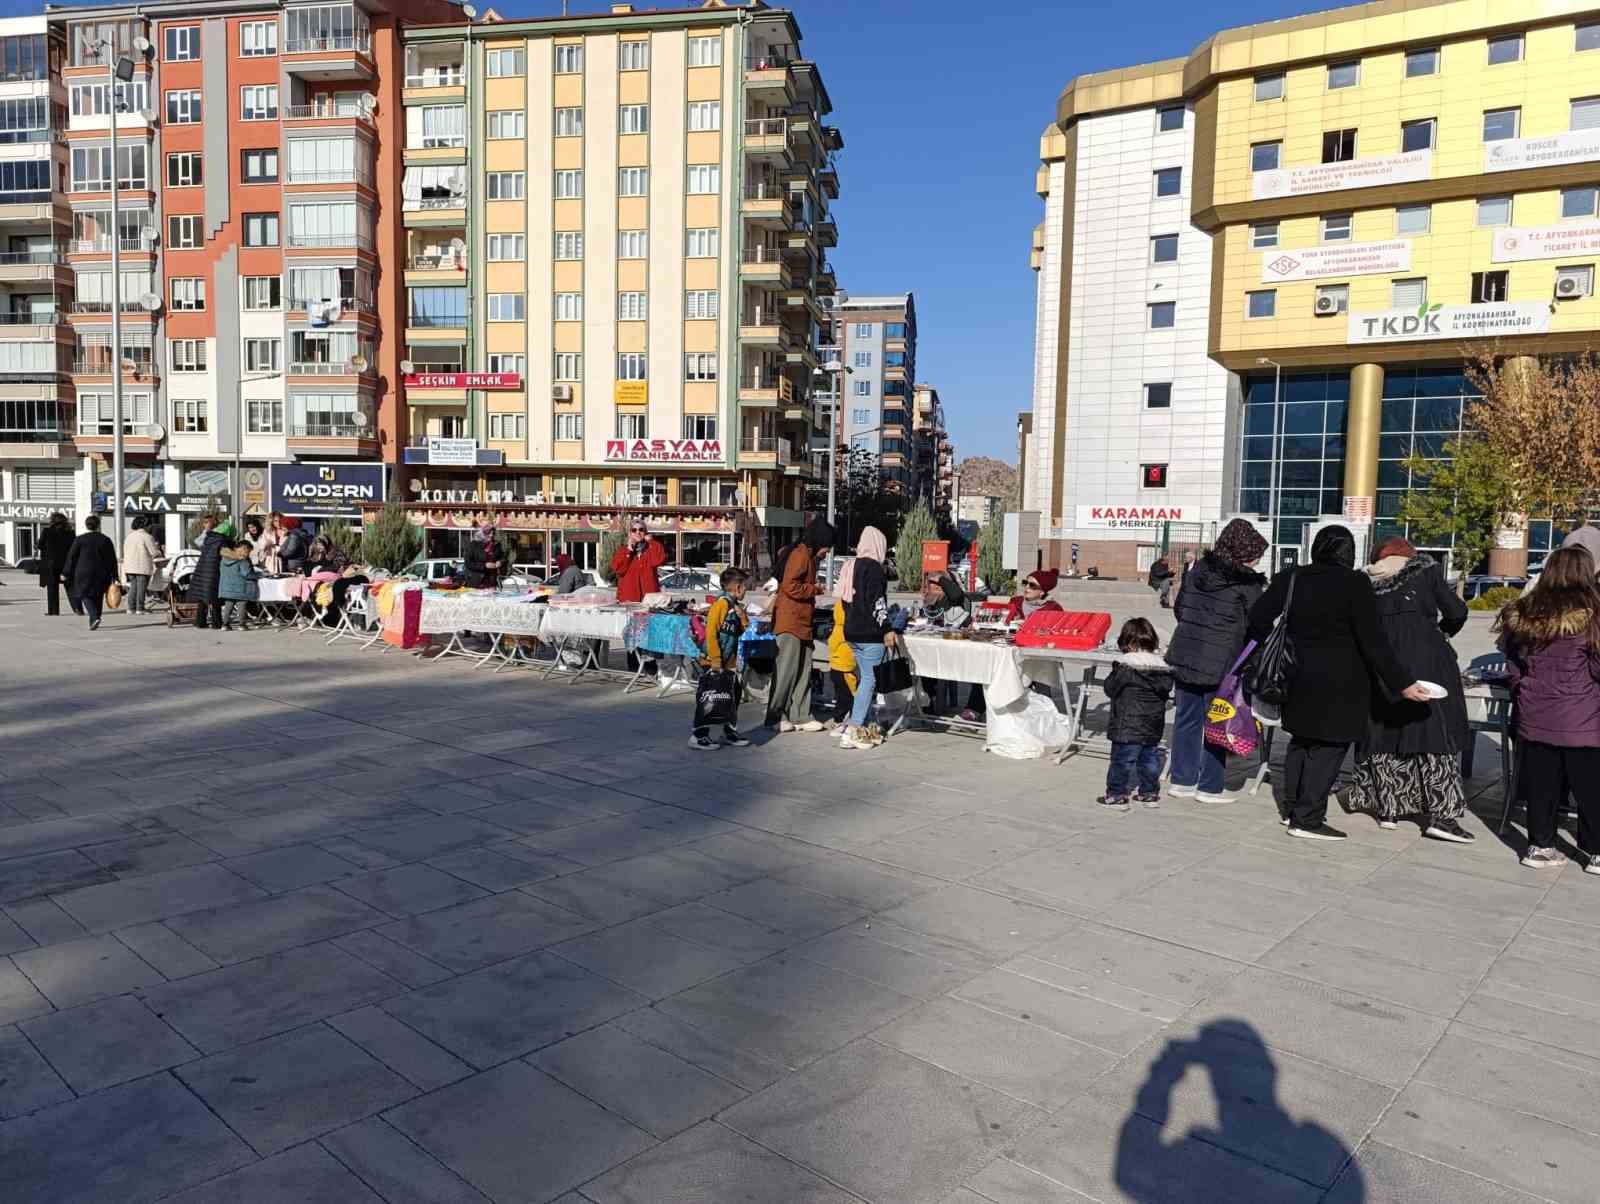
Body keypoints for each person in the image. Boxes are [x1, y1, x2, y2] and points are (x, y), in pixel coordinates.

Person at [1249, 525, 1428, 841]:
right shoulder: (1355, 582)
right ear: (1348, 552)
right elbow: (1373, 640)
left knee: (1301, 741)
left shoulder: (1292, 577)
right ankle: (1307, 819)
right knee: (1328, 747)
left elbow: (1259, 618)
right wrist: (1402, 682)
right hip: (1342, 682)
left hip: (1296, 675)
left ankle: (1292, 810)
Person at [1345, 537, 1474, 842]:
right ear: (1409, 555)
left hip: (1382, 666)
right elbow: (1456, 611)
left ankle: (1388, 809)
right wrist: (1440, 633)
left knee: (1384, 732)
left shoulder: (1365, 580)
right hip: (1429, 663)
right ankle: (1442, 816)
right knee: (1434, 734)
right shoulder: (1426, 571)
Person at [1495, 545, 1600, 873]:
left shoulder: (1525, 611)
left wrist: (1522, 688)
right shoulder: (1594, 613)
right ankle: (1596, 852)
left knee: (1541, 785)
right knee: (1591, 788)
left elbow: (1512, 662)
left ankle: (1539, 846)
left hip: (1535, 713)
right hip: (1583, 717)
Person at [1165, 519, 1269, 804]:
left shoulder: (1197, 570)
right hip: (1221, 662)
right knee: (1219, 721)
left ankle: (1181, 780)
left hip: (1185, 653)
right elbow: (1258, 624)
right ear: (1241, 551)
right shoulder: (1246, 584)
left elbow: (1179, 608)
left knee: (1186, 719)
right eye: (1254, 554)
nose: (1256, 560)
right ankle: (1209, 787)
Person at [767, 516, 833, 733]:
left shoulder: (808, 556)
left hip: (802, 622)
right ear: (820, 541)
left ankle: (801, 715)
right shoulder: (800, 555)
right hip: (790, 622)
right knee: (786, 670)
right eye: (827, 547)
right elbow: (790, 586)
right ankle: (776, 715)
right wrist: (815, 589)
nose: (828, 552)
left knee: (804, 669)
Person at [1100, 617, 1173, 810]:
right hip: (1153, 725)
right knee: (1149, 760)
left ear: (1129, 643)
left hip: (1127, 724)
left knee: (1122, 761)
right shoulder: (1163, 669)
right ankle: (1149, 793)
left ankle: (1116, 794)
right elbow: (1165, 690)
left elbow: (1110, 689)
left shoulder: (1125, 666)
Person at [839, 526, 896, 751]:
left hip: (851, 631)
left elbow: (844, 600)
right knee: (870, 681)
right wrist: (887, 628)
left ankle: (866, 727)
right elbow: (877, 601)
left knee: (865, 679)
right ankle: (853, 729)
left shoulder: (849, 566)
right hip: (870, 633)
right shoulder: (873, 568)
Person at [690, 567, 753, 750]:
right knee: (708, 697)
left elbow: (740, 631)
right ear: (738, 588)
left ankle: (730, 731)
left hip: (728, 661)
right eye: (746, 587)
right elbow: (711, 632)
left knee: (732, 695)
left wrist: (743, 618)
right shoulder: (721, 604)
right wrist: (716, 660)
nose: (746, 591)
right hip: (714, 660)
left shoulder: (734, 606)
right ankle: (698, 735)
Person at [919, 571, 985, 720]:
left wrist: (941, 579)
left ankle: (973, 709)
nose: (933, 591)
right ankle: (930, 698)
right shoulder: (929, 605)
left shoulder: (953, 601)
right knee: (920, 661)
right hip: (935, 649)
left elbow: (956, 594)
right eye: (931, 587)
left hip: (959, 650)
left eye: (938, 588)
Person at [612, 518, 668, 673]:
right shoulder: (623, 551)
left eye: (641, 530)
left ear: (646, 532)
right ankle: (634, 667)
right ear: (630, 533)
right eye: (634, 530)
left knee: (649, 635)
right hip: (630, 601)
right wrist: (629, 550)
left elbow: (660, 558)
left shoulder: (651, 549)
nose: (638, 533)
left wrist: (652, 542)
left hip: (648, 602)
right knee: (632, 635)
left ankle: (650, 668)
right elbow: (618, 569)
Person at [61, 515, 119, 630]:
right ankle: (95, 618)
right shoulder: (105, 540)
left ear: (86, 525)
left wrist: (65, 572)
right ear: (98, 525)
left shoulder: (80, 539)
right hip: (102, 572)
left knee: (84, 594)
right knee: (98, 595)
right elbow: (112, 559)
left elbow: (71, 557)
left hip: (83, 572)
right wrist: (115, 575)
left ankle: (94, 616)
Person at [188, 515, 231, 630]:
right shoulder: (222, 540)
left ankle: (200, 622)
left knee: (203, 597)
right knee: (214, 597)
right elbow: (227, 554)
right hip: (213, 570)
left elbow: (197, 543)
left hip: (202, 568)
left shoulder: (207, 538)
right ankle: (216, 623)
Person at [825, 595, 858, 732]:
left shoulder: (846, 602)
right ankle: (842, 718)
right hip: (841, 657)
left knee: (845, 691)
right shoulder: (846, 601)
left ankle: (842, 719)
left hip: (843, 658)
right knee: (844, 689)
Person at [122, 516, 163, 615]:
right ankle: (140, 608)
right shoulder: (147, 537)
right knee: (141, 588)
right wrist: (159, 551)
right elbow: (153, 552)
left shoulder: (129, 536)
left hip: (129, 566)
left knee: (133, 587)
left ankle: (131, 608)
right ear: (145, 525)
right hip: (142, 566)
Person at [37, 511, 75, 616]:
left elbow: (40, 546)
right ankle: (77, 608)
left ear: (52, 520)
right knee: (70, 587)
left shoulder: (47, 531)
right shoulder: (70, 533)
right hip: (66, 564)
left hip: (51, 564)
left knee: (52, 588)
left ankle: (53, 611)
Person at [218, 540, 261, 630]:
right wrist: (259, 575)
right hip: (240, 587)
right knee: (242, 604)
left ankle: (225, 625)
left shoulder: (224, 558)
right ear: (245, 549)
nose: (249, 554)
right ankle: (241, 625)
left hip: (226, 587)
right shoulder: (243, 560)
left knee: (228, 605)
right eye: (249, 551)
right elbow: (247, 574)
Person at [462, 522, 503, 589]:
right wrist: (484, 565)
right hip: (476, 581)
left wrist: (500, 561)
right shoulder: (473, 545)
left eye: (493, 533)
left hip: (492, 580)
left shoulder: (496, 545)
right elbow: (468, 563)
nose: (491, 535)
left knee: (493, 599)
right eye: (489, 533)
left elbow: (502, 557)